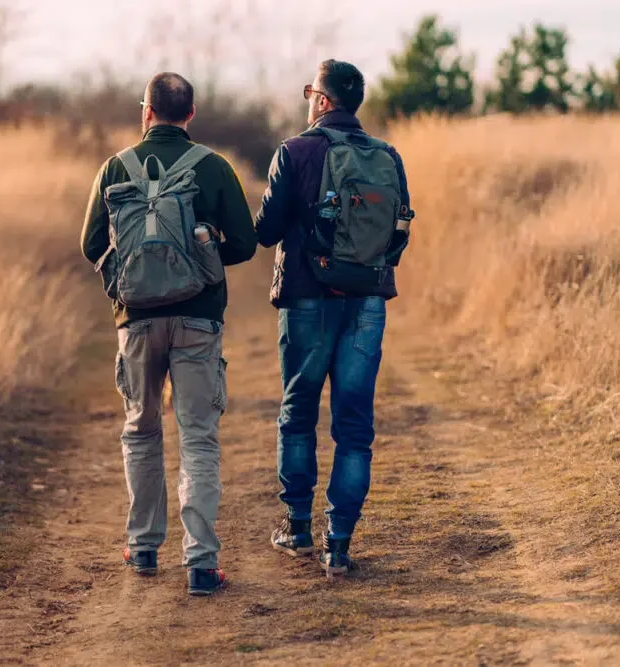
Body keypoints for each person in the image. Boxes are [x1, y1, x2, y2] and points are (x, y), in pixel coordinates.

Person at [80, 72, 257, 596]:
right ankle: (201, 564)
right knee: (198, 437)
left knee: (141, 429)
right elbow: (245, 244)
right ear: (191, 114)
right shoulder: (215, 167)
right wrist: (202, 259)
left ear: (146, 111)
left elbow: (91, 245)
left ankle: (142, 548)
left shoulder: (114, 168)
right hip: (199, 318)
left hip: (134, 320)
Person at [254, 60, 413, 577]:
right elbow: (398, 233)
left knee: (298, 413)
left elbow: (265, 230)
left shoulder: (295, 151)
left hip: (308, 297)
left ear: (322, 101)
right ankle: (338, 544)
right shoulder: (387, 156)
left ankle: (298, 528)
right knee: (354, 426)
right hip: (367, 301)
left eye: (309, 92)